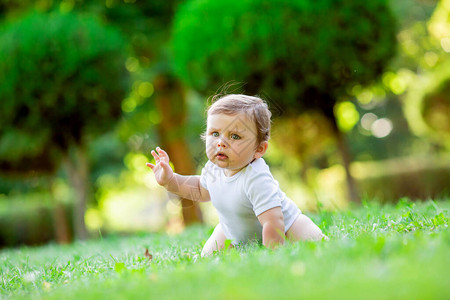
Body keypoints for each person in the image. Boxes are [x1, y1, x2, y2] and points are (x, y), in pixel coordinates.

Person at [147, 94, 326, 256]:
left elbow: (274, 221)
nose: (221, 143)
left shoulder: (256, 177)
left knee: (314, 242)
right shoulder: (213, 169)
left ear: (259, 149)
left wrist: (272, 256)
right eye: (215, 134)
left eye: (234, 136)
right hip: (231, 230)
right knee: (206, 258)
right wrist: (170, 180)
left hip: (287, 226)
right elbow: (199, 190)